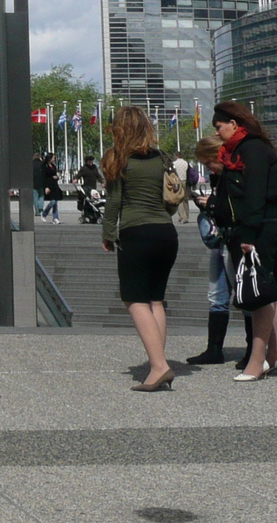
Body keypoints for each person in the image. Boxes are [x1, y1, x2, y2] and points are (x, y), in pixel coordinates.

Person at [210, 101, 277, 381]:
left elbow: (255, 195)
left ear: (233, 124)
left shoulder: (251, 149)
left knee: (258, 299)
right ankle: (274, 354)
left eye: (219, 127)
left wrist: (248, 235)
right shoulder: (243, 149)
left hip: (256, 230)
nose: (218, 133)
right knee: (268, 291)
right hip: (256, 228)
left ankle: (258, 360)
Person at [100, 107, 179, 391]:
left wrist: (108, 233)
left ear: (119, 129)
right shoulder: (162, 158)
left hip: (136, 233)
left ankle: (159, 366)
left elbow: (114, 202)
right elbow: (171, 199)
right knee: (156, 299)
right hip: (166, 234)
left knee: (134, 299)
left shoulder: (117, 159)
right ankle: (159, 361)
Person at [185, 134, 236, 365]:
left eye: (209, 163)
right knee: (217, 296)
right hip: (220, 240)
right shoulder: (219, 178)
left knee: (244, 295)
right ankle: (213, 349)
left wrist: (212, 203)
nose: (209, 169)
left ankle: (252, 352)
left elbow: (240, 207)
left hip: (233, 239)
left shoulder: (235, 175)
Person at [41, 154, 61, 224]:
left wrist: (56, 177)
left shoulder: (53, 166)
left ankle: (55, 218)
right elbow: (43, 177)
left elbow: (54, 174)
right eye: (53, 158)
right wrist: (46, 187)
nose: (54, 159)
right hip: (49, 186)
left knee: (55, 203)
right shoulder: (44, 166)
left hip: (54, 185)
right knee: (53, 202)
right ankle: (44, 214)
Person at [32, 153, 48, 217]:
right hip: (41, 182)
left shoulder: (31, 164)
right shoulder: (42, 164)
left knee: (35, 197)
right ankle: (40, 207)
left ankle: (37, 211)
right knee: (41, 195)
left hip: (33, 182)